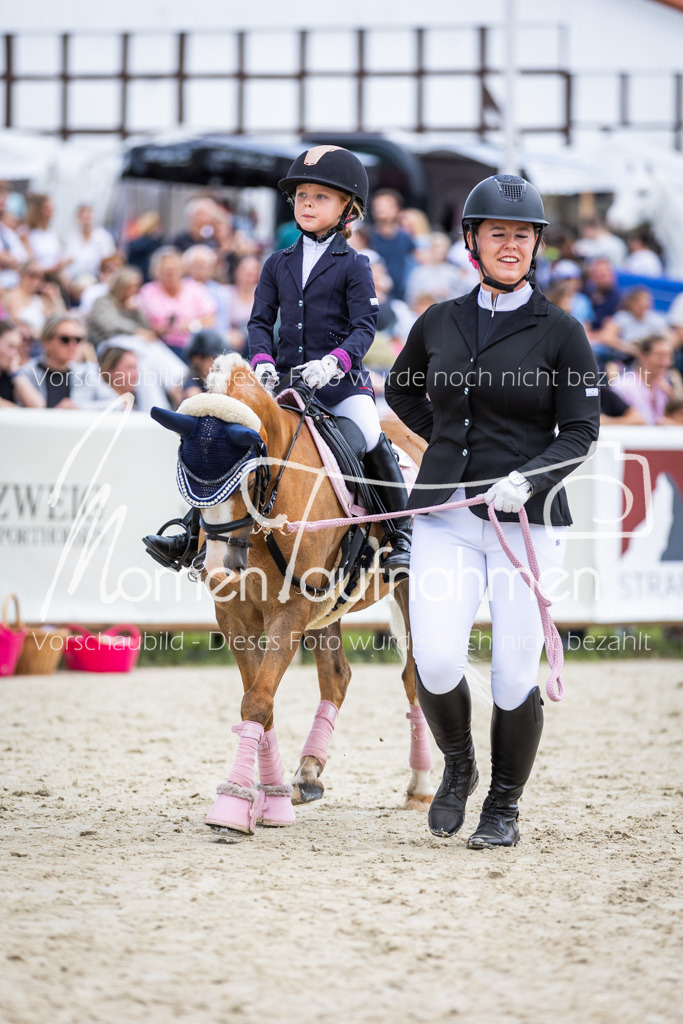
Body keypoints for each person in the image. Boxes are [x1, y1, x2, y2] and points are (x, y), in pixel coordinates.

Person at [385, 174, 601, 849]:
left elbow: (580, 431)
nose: (510, 245)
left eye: (522, 236)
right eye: (497, 233)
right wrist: (449, 449)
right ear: (472, 241)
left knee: (511, 675)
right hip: (445, 515)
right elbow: (401, 391)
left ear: (536, 246)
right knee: (434, 660)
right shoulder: (438, 320)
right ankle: (459, 766)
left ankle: (503, 806)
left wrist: (527, 478)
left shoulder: (562, 332)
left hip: (525, 525)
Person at [143, 145, 411, 579]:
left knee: (370, 435)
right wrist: (263, 360)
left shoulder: (356, 265)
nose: (307, 204)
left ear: (347, 208)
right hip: (282, 383)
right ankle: (190, 533)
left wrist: (335, 362)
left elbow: (364, 328)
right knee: (222, 438)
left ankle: (401, 537)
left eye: (320, 197)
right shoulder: (277, 262)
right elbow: (259, 322)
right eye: (302, 195)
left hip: (340, 386)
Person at [17, 314, 115, 409]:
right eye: (65, 339)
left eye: (78, 339)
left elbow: (116, 404)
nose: (72, 345)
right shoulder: (26, 373)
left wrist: (79, 407)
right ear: (47, 341)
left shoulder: (86, 373)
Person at [138, 247, 216, 361]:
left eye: (174, 270)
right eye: (166, 271)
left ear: (181, 270)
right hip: (161, 345)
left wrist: (191, 326)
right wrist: (160, 329)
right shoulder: (148, 292)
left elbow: (210, 320)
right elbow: (140, 323)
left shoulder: (195, 288)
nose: (171, 274)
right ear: (157, 272)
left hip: (194, 345)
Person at [611, 334, 683, 425]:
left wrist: (672, 396)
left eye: (669, 356)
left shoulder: (665, 387)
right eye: (659, 356)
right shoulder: (623, 386)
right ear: (643, 356)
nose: (666, 362)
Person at [368, 188, 415, 302]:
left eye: (387, 205)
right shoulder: (367, 236)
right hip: (374, 296)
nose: (381, 208)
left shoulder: (405, 237)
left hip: (401, 297)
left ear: (398, 210)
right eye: (377, 205)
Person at [0, 319, 45, 408]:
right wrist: (15, 409)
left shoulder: (9, 375)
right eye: (10, 346)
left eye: (17, 348)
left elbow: (37, 406)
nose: (14, 354)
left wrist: (16, 374)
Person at [181, 328, 229, 399]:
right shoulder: (192, 389)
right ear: (196, 359)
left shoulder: (218, 382)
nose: (218, 365)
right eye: (213, 359)